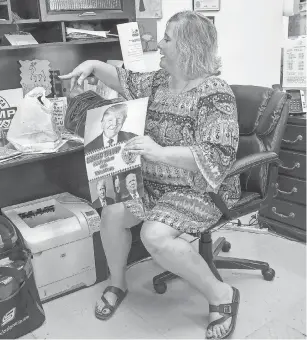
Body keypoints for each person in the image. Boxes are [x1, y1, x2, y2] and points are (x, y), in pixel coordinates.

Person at [60, 10, 241, 339]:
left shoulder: (216, 94)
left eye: (167, 38)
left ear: (187, 47)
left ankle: (222, 295)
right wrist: (93, 66)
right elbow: (124, 79)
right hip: (154, 182)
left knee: (154, 236)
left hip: (201, 188)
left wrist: (157, 152)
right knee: (112, 211)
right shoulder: (159, 80)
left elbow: (218, 157)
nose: (159, 44)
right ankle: (118, 284)